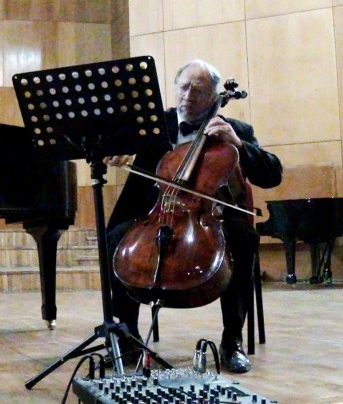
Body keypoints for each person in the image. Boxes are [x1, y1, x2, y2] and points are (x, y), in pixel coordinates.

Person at [105, 59, 282, 373]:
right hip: (153, 211)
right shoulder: (155, 125)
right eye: (184, 87)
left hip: (209, 216)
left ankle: (232, 340)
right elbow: (113, 144)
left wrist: (238, 144)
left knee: (243, 240)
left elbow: (272, 174)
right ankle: (126, 335)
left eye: (197, 91)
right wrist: (114, 151)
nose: (187, 96)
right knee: (117, 238)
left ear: (213, 97)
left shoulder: (234, 130)